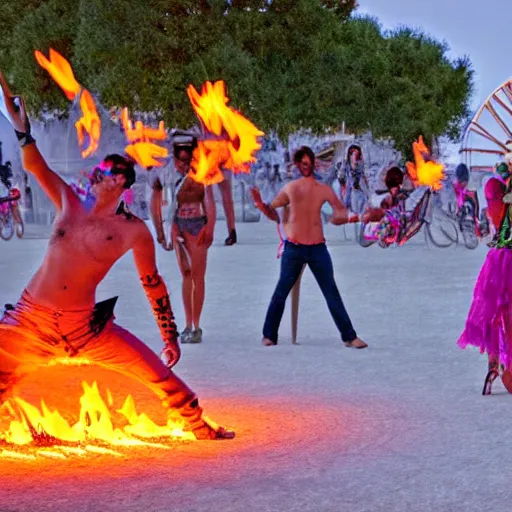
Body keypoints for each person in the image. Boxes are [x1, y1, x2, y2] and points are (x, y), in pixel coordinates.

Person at [0, 72, 233, 439]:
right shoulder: (69, 202)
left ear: (121, 183)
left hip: (85, 328)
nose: (96, 176)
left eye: (105, 173)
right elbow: (35, 167)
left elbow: (152, 284)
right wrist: (22, 130)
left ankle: (198, 425)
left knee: (156, 372)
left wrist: (169, 334)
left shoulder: (134, 232)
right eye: (98, 171)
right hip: (31, 322)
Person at [251, 146, 368, 349]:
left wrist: (355, 217)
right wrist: (262, 205)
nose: (306, 167)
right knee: (281, 290)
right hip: (294, 248)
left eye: (309, 163)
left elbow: (339, 214)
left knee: (331, 291)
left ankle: (349, 336)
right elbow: (273, 212)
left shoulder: (322, 189)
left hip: (317, 248)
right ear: (297, 165)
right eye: (302, 163)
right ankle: (269, 334)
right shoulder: (290, 188)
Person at [150, 138, 216, 344]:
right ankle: (188, 324)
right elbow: (156, 200)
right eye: (180, 161)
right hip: (178, 225)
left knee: (198, 275)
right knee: (186, 275)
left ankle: (196, 324)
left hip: (197, 225)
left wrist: (210, 228)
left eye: (187, 161)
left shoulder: (202, 173)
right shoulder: (166, 174)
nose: (184, 165)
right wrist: (160, 230)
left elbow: (209, 202)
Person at [458, 160, 512, 395]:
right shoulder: (497, 185)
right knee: (501, 314)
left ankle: (495, 365)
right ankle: (499, 365)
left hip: (500, 258)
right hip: (505, 259)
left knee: (499, 313)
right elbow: (497, 214)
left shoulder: (496, 184)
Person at [337, 144, 369, 215]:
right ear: (350, 155)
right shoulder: (345, 166)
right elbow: (341, 177)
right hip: (348, 194)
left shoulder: (361, 167)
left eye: (359, 154)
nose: (357, 156)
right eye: (355, 154)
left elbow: (364, 183)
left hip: (359, 194)